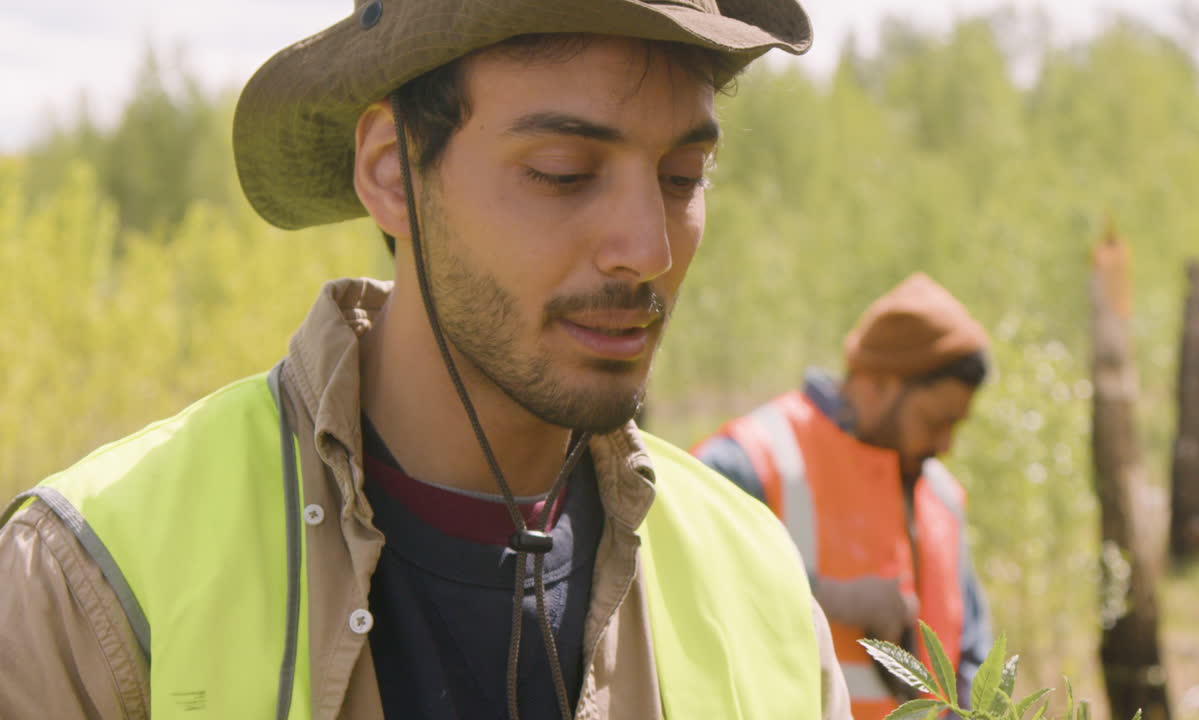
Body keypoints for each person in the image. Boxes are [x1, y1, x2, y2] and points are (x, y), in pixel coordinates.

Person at [0, 1, 854, 718]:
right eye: (563, 171)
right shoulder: (95, 577)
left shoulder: (758, 583)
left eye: (683, 174)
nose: (649, 248)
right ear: (392, 171)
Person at [695, 272, 995, 719]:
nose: (945, 445)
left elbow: (971, 653)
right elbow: (690, 625)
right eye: (935, 422)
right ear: (877, 384)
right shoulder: (750, 463)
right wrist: (818, 595)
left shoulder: (942, 496)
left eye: (955, 426)